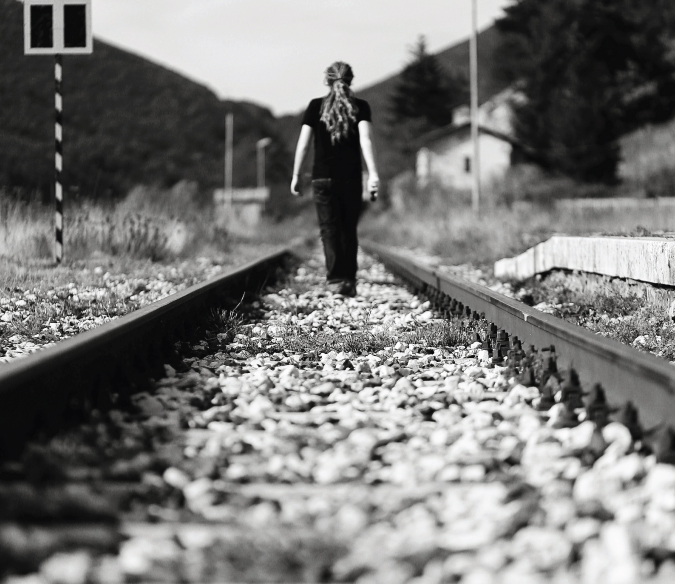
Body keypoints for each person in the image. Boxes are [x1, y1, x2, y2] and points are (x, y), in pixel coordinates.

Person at [291, 61, 379, 298]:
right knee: (348, 229)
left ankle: (335, 280)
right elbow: (366, 141)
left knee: (329, 229)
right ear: (351, 79)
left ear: (327, 81)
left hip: (322, 178)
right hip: (350, 177)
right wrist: (373, 174)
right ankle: (349, 280)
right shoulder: (360, 106)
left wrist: (296, 175)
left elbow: (303, 145)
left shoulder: (315, 106)